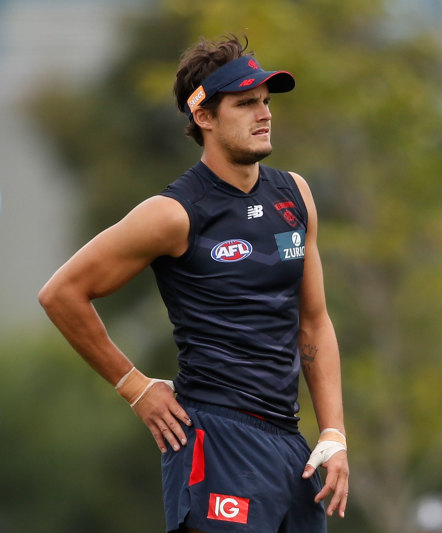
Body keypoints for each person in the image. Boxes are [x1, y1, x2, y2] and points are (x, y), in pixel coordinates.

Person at [38, 35, 349, 532]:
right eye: (246, 103)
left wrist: (333, 431)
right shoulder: (174, 213)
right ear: (203, 116)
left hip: (292, 449)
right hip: (215, 440)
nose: (264, 114)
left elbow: (313, 322)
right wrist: (134, 387)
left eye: (266, 102)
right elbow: (61, 294)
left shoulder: (296, 196)